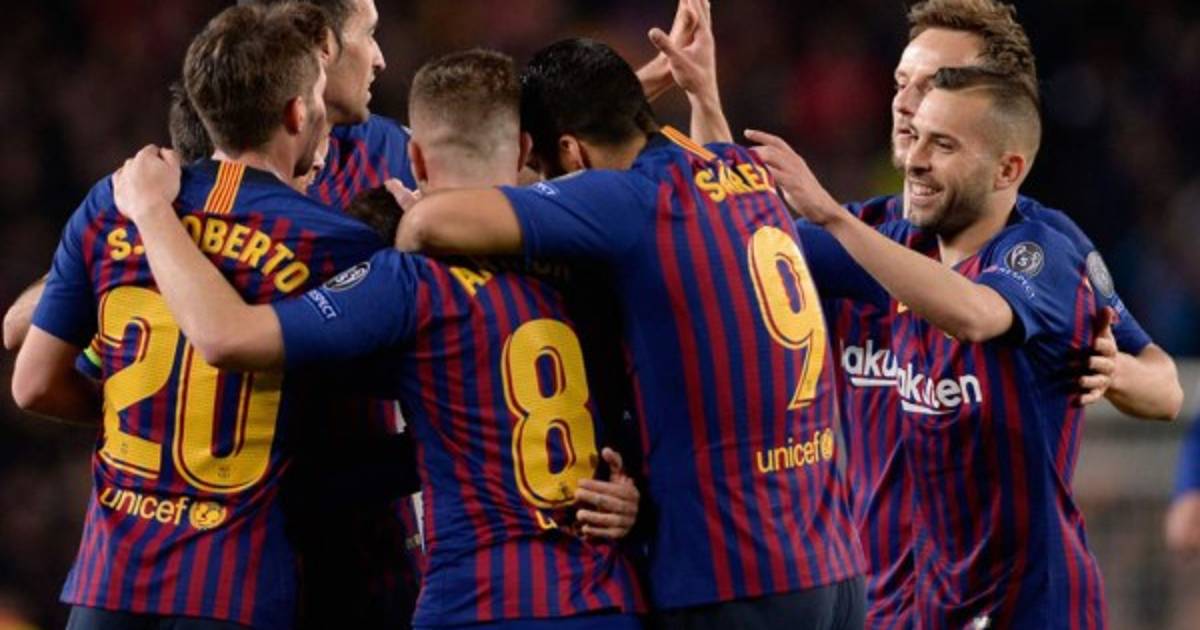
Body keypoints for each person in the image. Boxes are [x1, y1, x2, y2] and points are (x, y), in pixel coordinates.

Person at [111, 48, 645, 629]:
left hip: (479, 603)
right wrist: (632, 488)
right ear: (522, 150)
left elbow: (226, 336)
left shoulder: (409, 282)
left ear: (414, 158)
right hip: (606, 599)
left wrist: (150, 213)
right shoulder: (591, 266)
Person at [394, 34, 866, 629]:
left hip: (732, 575)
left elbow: (430, 223)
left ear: (571, 154)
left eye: (541, 170)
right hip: (835, 567)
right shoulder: (739, 169)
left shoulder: (627, 200)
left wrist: (410, 222)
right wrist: (689, 91)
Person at [745, 1, 1183, 625]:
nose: (908, 105)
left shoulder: (1041, 251)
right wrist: (703, 97)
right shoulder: (873, 236)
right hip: (893, 608)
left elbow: (1162, 387)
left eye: (932, 86)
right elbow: (735, 239)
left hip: (1018, 607)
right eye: (901, 83)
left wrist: (1113, 371)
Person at [12, 5, 382, 628]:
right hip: (233, 583)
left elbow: (33, 383)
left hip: (110, 579)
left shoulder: (113, 202)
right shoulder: (335, 243)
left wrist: (147, 420)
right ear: (297, 113)